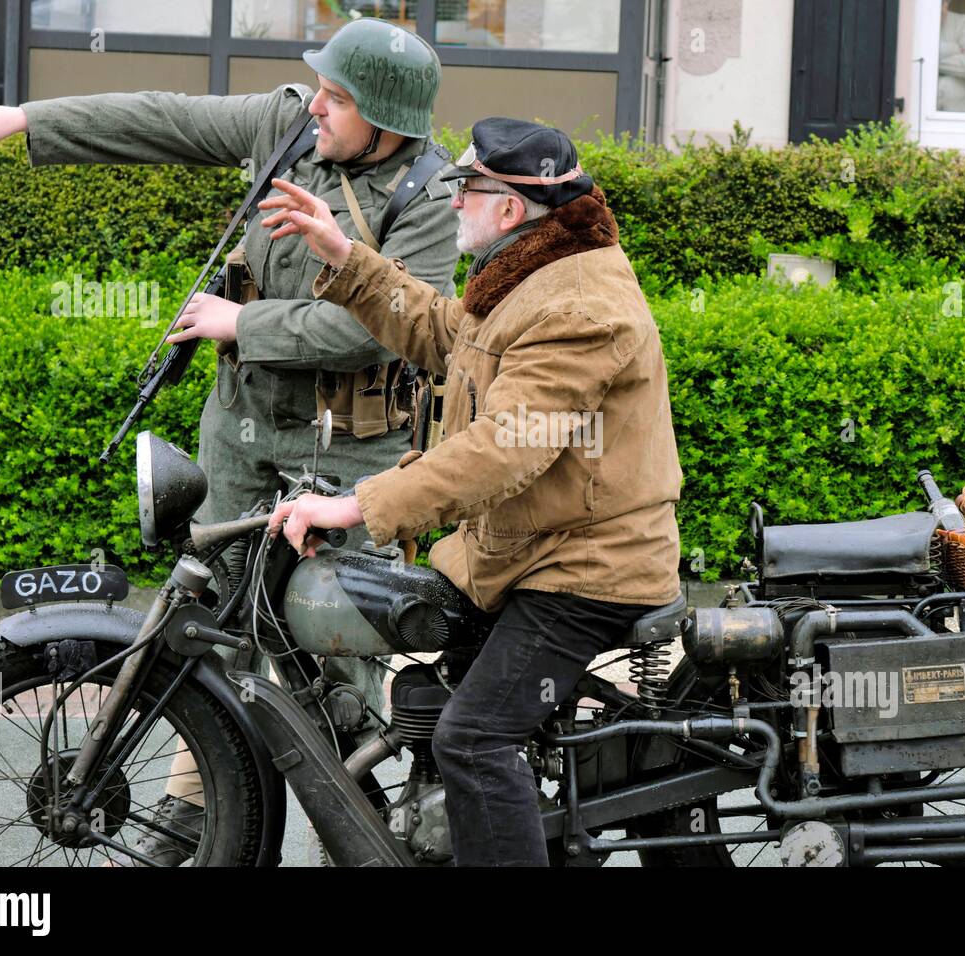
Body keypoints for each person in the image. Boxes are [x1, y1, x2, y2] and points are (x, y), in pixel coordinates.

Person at [0, 17, 461, 865]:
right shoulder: (286, 122)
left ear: (389, 118)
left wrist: (245, 319)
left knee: (336, 652)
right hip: (242, 429)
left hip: (355, 449)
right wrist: (27, 120)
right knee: (206, 627)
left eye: (340, 98)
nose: (318, 103)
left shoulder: (428, 195)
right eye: (319, 85)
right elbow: (164, 119)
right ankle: (191, 825)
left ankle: (352, 835)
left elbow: (387, 329)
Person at [260, 117, 684, 866]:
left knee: (475, 739)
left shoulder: (576, 305)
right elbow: (447, 335)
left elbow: (505, 448)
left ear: (511, 208)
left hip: (584, 568)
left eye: (466, 189)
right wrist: (342, 255)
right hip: (527, 553)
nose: (452, 202)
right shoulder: (533, 275)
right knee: (434, 690)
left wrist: (361, 504)